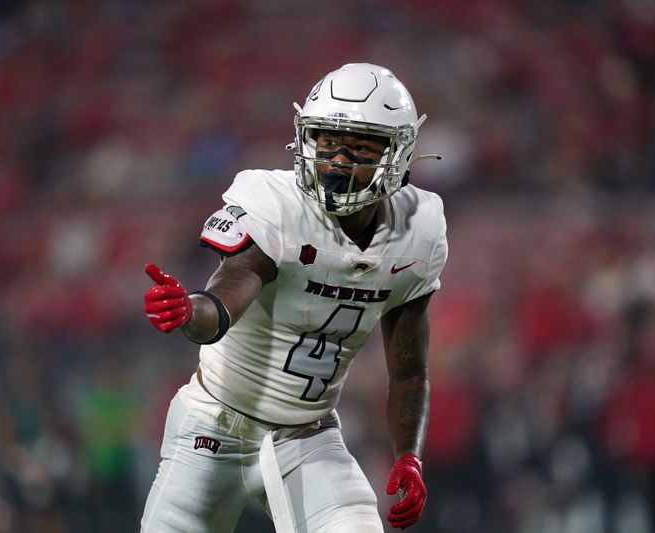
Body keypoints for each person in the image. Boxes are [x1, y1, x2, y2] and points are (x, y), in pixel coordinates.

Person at [140, 63, 448, 532]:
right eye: (327, 141)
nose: (339, 160)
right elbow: (229, 292)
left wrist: (410, 456)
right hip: (213, 427)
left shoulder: (418, 231)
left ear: (398, 153)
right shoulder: (277, 204)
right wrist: (191, 312)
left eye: (361, 146)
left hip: (308, 437)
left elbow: (409, 370)